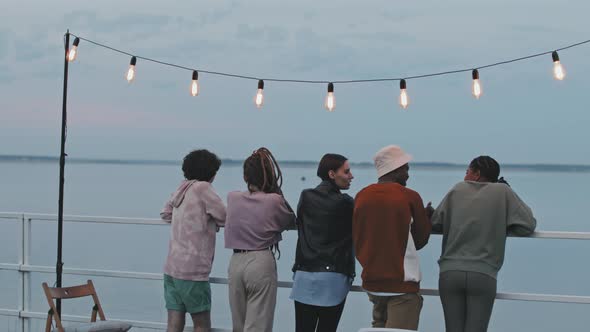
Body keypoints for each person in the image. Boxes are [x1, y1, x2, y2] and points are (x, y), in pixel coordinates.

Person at [431, 155, 537, 332]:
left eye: (467, 172)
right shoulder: (503, 192)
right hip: (483, 274)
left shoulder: (457, 189)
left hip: (450, 273)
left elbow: (435, 223)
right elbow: (528, 225)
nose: (465, 177)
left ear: (477, 174)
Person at [352, 145, 432, 331]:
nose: (408, 175)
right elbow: (421, 240)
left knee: (379, 327)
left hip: (373, 283)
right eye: (406, 169)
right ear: (395, 170)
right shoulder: (410, 196)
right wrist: (426, 217)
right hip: (401, 284)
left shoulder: (361, 196)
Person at [224, 147, 296, 332]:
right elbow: (290, 220)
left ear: (245, 177)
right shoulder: (273, 200)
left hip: (236, 261)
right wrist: (276, 189)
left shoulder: (232, 198)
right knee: (259, 324)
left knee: (238, 325)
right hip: (260, 261)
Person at [160, 149, 226, 332]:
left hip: (172, 268)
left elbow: (166, 213)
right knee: (202, 323)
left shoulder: (183, 187)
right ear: (209, 172)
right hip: (193, 271)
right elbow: (224, 216)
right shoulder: (203, 188)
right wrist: (209, 220)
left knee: (174, 323)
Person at [290, 153, 355, 332]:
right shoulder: (346, 203)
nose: (351, 176)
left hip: (304, 276)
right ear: (332, 174)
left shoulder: (306, 196)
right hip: (333, 279)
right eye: (347, 171)